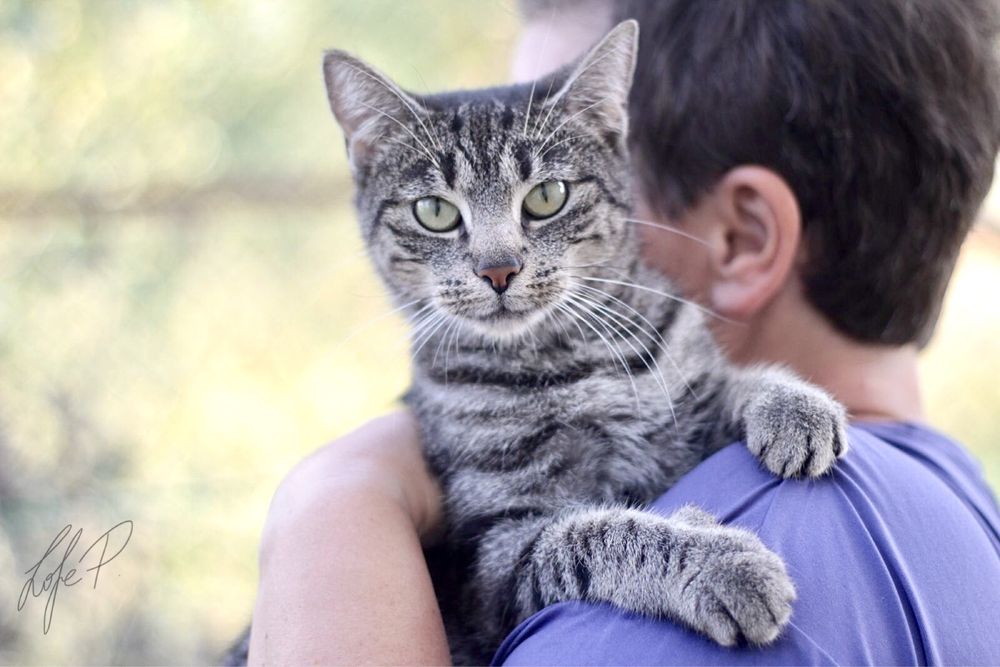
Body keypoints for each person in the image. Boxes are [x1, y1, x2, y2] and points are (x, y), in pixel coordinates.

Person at [246, 0, 1000, 663]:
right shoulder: (966, 515)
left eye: (545, 196)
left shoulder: (633, 639)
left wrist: (327, 500)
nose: (496, 262)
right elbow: (502, 562)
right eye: (438, 214)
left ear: (744, 235)